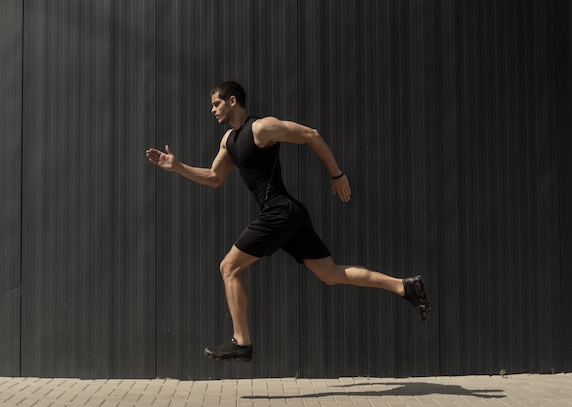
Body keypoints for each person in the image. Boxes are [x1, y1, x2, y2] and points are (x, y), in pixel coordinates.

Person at [146, 81, 430, 362]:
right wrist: (177, 167)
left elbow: (310, 134)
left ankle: (242, 343)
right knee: (331, 274)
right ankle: (404, 287)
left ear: (233, 101)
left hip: (280, 210)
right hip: (287, 214)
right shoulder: (229, 141)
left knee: (228, 267)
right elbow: (214, 177)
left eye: (216, 103)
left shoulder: (261, 128)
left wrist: (336, 174)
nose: (212, 110)